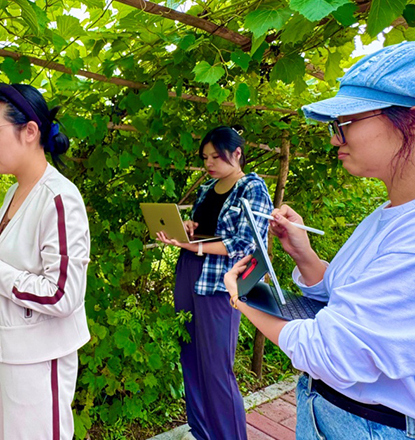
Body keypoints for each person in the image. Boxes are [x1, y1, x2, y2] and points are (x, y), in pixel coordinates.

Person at [224, 41, 415, 439]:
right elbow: (348, 299)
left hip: (373, 427)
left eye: (344, 123)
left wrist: (242, 299)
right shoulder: (388, 213)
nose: (334, 139)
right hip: (340, 415)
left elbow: (332, 351)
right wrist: (305, 255)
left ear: (410, 121)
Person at [0, 83, 90, 440]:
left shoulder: (59, 199)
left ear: (30, 131)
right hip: (3, 348)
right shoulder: (14, 190)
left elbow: (62, 294)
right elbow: (21, 259)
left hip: (38, 358)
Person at [156, 126, 272, 440]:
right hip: (189, 271)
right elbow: (205, 228)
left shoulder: (252, 188)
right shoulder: (208, 188)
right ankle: (201, 432)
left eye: (216, 157)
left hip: (221, 283)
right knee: (190, 356)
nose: (209, 163)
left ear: (237, 153)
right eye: (205, 157)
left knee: (217, 367)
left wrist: (196, 246)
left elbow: (247, 243)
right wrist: (189, 229)